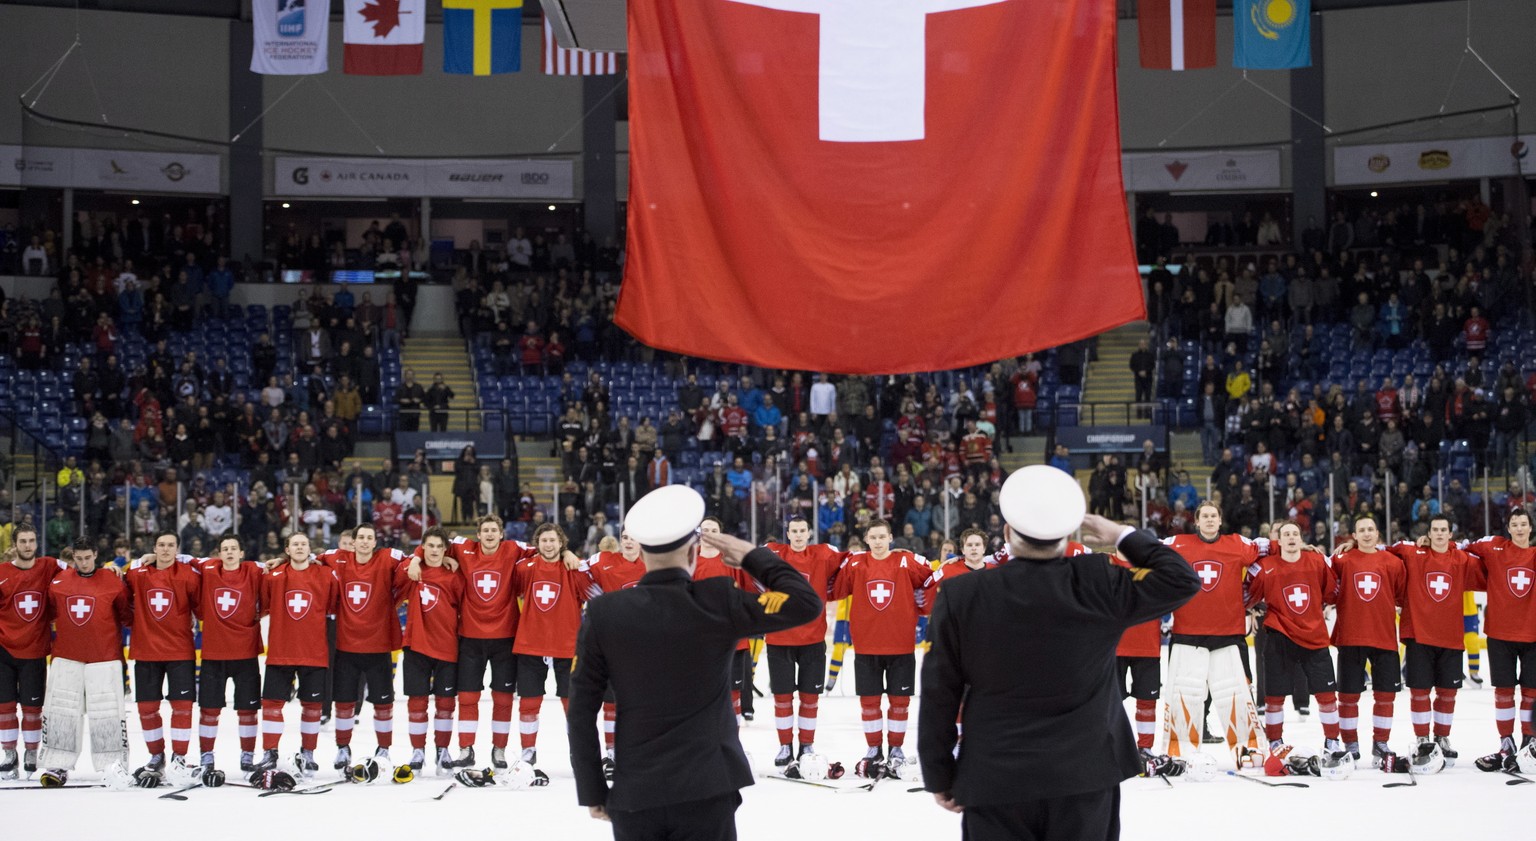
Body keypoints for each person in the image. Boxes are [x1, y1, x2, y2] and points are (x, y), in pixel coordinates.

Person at [918, 466, 1199, 841]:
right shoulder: (1098, 581)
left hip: (995, 776)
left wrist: (938, 774)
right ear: (1068, 535)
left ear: (1006, 533)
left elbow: (939, 692)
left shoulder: (963, 595)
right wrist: (1122, 535)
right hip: (1085, 775)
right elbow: (1181, 579)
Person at [568, 485, 819, 841]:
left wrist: (593, 790)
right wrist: (751, 555)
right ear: (694, 551)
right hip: (707, 787)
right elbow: (805, 603)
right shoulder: (718, 600)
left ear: (639, 551)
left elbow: (580, 710)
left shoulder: (604, 612)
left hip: (636, 791)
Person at [408, 514, 528, 772]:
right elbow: (433, 543)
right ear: (478, 533)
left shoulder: (514, 549)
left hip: (505, 637)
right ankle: (466, 748)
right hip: (471, 638)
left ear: (501, 534)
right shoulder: (463, 547)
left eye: (494, 530)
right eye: (485, 530)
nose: (489, 534)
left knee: (503, 698)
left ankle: (499, 749)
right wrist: (417, 558)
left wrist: (566, 554)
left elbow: (544, 547)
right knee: (467, 697)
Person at [1160, 502, 1265, 759]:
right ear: (1196, 521)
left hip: (1229, 634)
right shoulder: (1177, 544)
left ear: (1220, 520)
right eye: (1204, 516)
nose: (1209, 520)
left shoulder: (1237, 544)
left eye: (1213, 516)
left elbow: (1272, 546)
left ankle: (1248, 749)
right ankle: (1179, 753)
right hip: (1188, 632)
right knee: (1186, 692)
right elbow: (1146, 552)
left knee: (1239, 691)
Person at [831, 519, 930, 776]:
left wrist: (950, 561)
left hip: (901, 645)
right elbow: (832, 587)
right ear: (866, 539)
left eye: (881, 537)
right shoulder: (855, 564)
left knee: (900, 702)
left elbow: (932, 580)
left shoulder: (906, 562)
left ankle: (896, 748)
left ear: (890, 538)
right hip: (866, 645)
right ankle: (874, 749)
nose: (877, 542)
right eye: (873, 537)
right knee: (870, 703)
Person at [1385, 515, 1483, 769]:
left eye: (1444, 530)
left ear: (1451, 534)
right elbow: (1383, 550)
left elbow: (1491, 568)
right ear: (1428, 533)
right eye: (1435, 530)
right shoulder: (1413, 552)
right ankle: (1422, 738)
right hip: (1419, 635)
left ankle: (1442, 736)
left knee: (1447, 693)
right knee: (1419, 692)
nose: (1439, 534)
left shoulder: (1462, 560)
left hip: (1450, 636)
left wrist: (1463, 547)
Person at [1244, 521, 1345, 769]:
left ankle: (1332, 740)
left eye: (1295, 534)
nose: (1290, 538)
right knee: (1275, 695)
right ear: (1278, 539)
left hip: (1314, 635)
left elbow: (1333, 591)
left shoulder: (1317, 561)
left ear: (1301, 538)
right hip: (1279, 636)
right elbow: (1245, 594)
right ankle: (1275, 742)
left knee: (1326, 694)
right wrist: (1250, 611)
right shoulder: (1265, 567)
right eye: (1285, 534)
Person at [313, 523, 405, 771]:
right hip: (346, 647)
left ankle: (384, 748)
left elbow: (414, 559)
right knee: (343, 702)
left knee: (383, 704)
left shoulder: (387, 558)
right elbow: (310, 558)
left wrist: (416, 562)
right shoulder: (337, 558)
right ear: (352, 542)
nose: (365, 542)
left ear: (376, 542)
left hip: (379, 647)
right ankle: (343, 748)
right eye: (360, 538)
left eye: (369, 538)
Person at [761, 515, 845, 765]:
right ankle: (785, 746)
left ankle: (806, 745)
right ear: (787, 534)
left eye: (802, 531)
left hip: (812, 640)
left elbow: (854, 561)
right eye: (794, 531)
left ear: (809, 533)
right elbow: (745, 560)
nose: (798, 535)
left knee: (810, 698)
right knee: (782, 698)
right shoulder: (773, 553)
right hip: (779, 639)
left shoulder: (823, 554)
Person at [1328, 516, 1409, 771]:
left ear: (1378, 534)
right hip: (1351, 636)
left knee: (1385, 696)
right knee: (1348, 696)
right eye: (1361, 530)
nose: (1366, 534)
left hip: (1384, 636)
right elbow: (1328, 587)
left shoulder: (1393, 563)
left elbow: (1399, 595)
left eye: (1370, 529)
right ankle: (1350, 743)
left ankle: (1381, 743)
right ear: (1353, 535)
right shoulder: (1341, 560)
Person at [255, 532, 339, 776]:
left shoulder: (324, 575)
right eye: (295, 544)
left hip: (314, 652)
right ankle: (270, 753)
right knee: (271, 704)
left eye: (304, 544)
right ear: (287, 550)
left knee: (312, 705)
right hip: (281, 651)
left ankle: (308, 753)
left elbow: (333, 604)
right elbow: (265, 604)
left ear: (309, 549)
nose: (300, 547)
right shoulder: (274, 576)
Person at [1463, 509, 1536, 771]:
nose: (1519, 528)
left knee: (1531, 693)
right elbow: (1460, 547)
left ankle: (1531, 743)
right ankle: (1506, 744)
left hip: (1533, 636)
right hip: (1499, 635)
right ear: (1508, 528)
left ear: (1530, 528)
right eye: (1514, 524)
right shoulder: (1494, 548)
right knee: (1504, 693)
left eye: (1523, 524)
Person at [125, 531, 201, 777]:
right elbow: (121, 575)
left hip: (180, 651)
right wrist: (139, 560)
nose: (165, 549)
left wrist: (188, 559)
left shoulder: (189, 575)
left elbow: (201, 604)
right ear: (154, 548)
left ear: (178, 549)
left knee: (182, 707)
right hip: (146, 651)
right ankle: (156, 756)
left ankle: (179, 757)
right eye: (161, 545)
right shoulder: (138, 574)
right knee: (147, 708)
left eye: (170, 545)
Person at [510, 523, 587, 767]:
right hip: (531, 644)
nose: (549, 544)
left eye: (553, 540)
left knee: (571, 704)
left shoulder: (574, 568)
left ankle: (578, 752)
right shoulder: (524, 568)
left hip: (567, 645)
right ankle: (528, 751)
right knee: (529, 703)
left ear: (561, 542)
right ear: (537, 543)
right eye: (544, 540)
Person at [191, 535, 265, 775]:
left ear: (242, 553)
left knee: (248, 710)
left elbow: (280, 565)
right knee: (209, 709)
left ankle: (247, 756)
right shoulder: (208, 568)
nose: (230, 552)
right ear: (219, 553)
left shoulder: (254, 570)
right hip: (214, 654)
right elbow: (183, 559)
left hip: (245, 653)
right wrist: (148, 557)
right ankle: (207, 755)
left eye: (234, 548)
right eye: (225, 549)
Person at [394, 527, 464, 777]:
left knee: (445, 704)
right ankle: (418, 751)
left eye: (439, 546)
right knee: (417, 702)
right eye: (429, 546)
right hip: (416, 644)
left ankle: (443, 749)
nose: (434, 551)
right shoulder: (411, 571)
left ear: (446, 549)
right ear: (422, 547)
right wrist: (414, 558)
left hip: (447, 645)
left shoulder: (455, 574)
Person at [579, 528, 648, 775]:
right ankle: (612, 754)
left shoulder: (653, 565)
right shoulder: (603, 560)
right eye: (626, 537)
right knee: (611, 702)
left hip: (644, 645)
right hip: (612, 644)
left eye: (634, 537)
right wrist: (600, 602)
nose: (629, 542)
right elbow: (578, 571)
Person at [0, 525, 62, 778]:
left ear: (37, 543)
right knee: (4, 707)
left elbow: (81, 567)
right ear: (15, 544)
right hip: (3, 650)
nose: (28, 545)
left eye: (32, 541)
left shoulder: (48, 566)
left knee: (32, 709)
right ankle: (9, 753)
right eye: (23, 541)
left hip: (35, 651)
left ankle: (31, 752)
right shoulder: (2, 572)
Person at [692, 517, 755, 725]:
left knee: (733, 695)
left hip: (732, 639)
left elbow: (749, 593)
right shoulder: (689, 562)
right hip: (700, 641)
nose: (709, 534)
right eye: (705, 530)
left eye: (713, 530)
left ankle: (732, 746)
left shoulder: (733, 561)